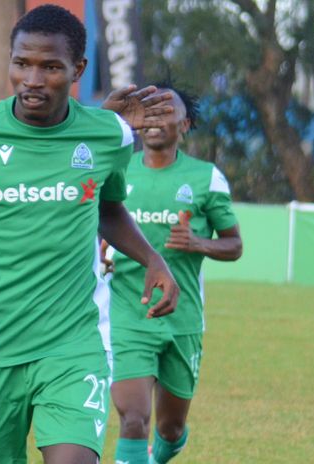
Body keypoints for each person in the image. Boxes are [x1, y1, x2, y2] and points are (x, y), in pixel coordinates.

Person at [0, 5, 180, 464]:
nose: (32, 78)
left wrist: (153, 257)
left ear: (78, 69)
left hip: (73, 342)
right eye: (22, 63)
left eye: (50, 67)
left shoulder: (108, 135)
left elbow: (108, 208)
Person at [105, 80, 242, 464]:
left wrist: (198, 242)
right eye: (148, 113)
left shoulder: (206, 178)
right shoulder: (117, 170)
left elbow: (234, 245)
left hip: (182, 319)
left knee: (170, 428)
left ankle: (162, 452)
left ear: (185, 126)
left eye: (166, 113)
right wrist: (98, 254)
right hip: (128, 312)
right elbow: (94, 224)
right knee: (133, 418)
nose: (154, 121)